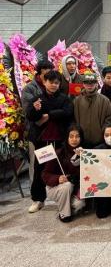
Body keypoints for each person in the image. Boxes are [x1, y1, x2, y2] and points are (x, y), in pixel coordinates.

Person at [24, 70, 73, 214]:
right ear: (44, 82)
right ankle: (38, 199)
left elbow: (68, 113)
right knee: (40, 170)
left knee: (64, 168)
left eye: (56, 83)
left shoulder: (64, 98)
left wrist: (49, 115)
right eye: (51, 82)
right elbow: (30, 116)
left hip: (60, 140)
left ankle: (68, 198)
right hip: (43, 141)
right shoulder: (38, 99)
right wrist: (35, 110)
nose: (54, 85)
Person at [21, 60, 55, 207]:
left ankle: (61, 197)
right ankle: (38, 199)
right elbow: (29, 111)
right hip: (39, 134)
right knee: (39, 167)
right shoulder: (30, 89)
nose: (51, 82)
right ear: (40, 74)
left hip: (55, 134)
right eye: (46, 75)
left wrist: (50, 115)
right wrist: (43, 117)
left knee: (56, 164)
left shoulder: (56, 88)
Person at [41, 124, 85, 222]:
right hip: (55, 188)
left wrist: (80, 159)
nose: (74, 139)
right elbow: (45, 174)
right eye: (71, 136)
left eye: (77, 136)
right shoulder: (58, 153)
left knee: (79, 204)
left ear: (81, 138)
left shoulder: (85, 153)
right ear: (67, 138)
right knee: (67, 185)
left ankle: (66, 205)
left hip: (74, 189)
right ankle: (64, 214)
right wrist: (57, 178)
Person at [74, 72, 111, 147]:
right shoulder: (77, 101)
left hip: (100, 142)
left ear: (96, 84)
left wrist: (102, 135)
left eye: (92, 83)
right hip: (81, 141)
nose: (89, 85)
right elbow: (74, 120)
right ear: (83, 84)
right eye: (87, 83)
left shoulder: (105, 100)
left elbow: (108, 120)